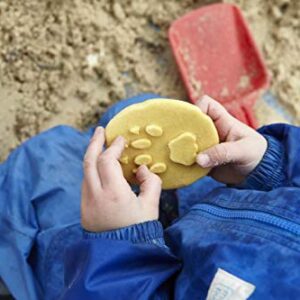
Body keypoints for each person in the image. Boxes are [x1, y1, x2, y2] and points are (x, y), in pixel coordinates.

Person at [0, 94, 299, 300]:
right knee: (132, 110)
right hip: (220, 209)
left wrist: (118, 245)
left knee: (37, 162)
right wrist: (269, 164)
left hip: (124, 281)